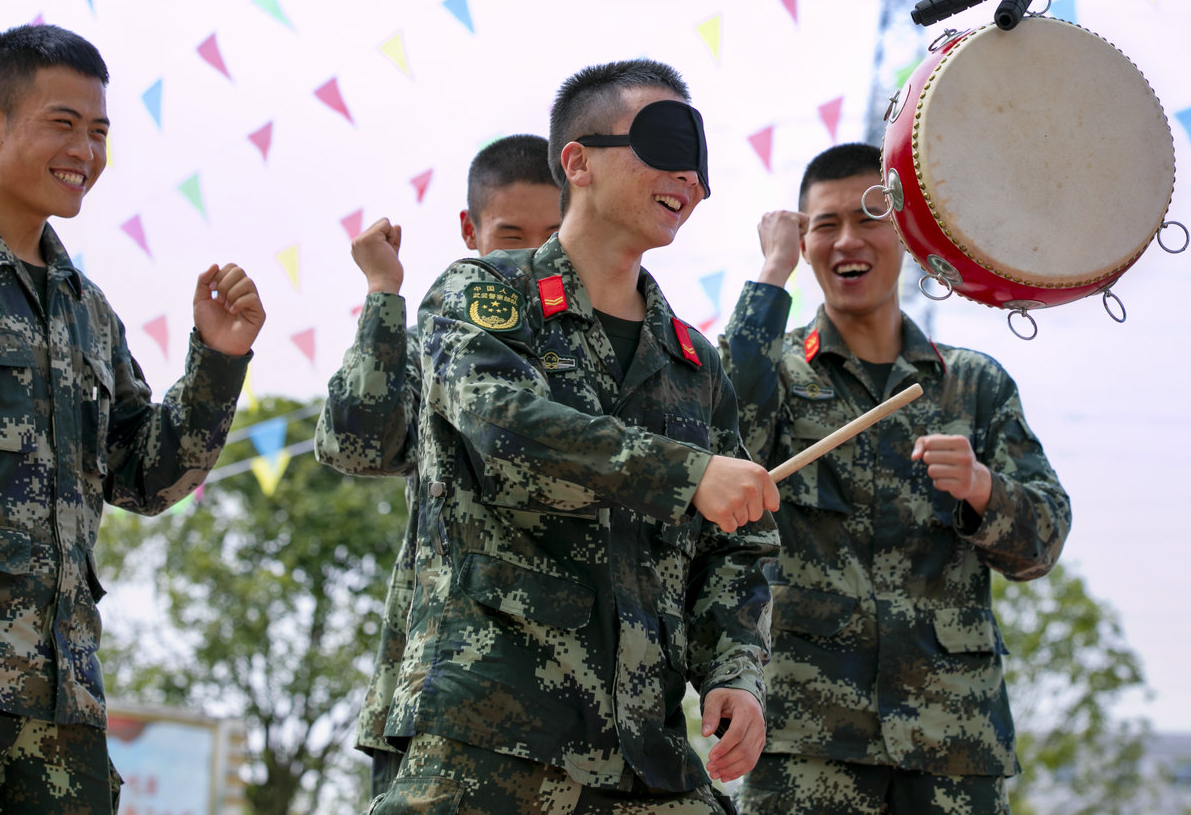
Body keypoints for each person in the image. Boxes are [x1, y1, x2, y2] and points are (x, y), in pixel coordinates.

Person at [323, 59, 780, 813]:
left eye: (698, 164)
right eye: (664, 147)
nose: (688, 180)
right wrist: (686, 471)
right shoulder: (479, 295)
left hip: (647, 756)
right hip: (489, 737)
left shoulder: (696, 364)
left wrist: (736, 672)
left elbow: (736, 547)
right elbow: (503, 425)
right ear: (578, 161)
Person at [0, 24, 264, 813]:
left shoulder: (88, 313)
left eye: (99, 132)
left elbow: (149, 477)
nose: (86, 152)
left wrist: (218, 360)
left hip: (64, 706)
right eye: (63, 123)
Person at [720, 142, 1071, 815]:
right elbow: (718, 437)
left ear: (906, 229)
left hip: (952, 746)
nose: (848, 240)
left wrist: (981, 489)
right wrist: (771, 274)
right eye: (825, 224)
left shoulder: (974, 384)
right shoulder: (778, 374)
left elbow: (1044, 542)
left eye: (870, 216)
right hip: (806, 742)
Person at [313, 134, 560, 798]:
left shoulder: (607, 354)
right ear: (469, 230)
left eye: (553, 235)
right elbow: (355, 441)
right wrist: (383, 294)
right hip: (449, 691)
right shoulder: (444, 342)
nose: (532, 257)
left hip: (583, 708)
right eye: (511, 233)